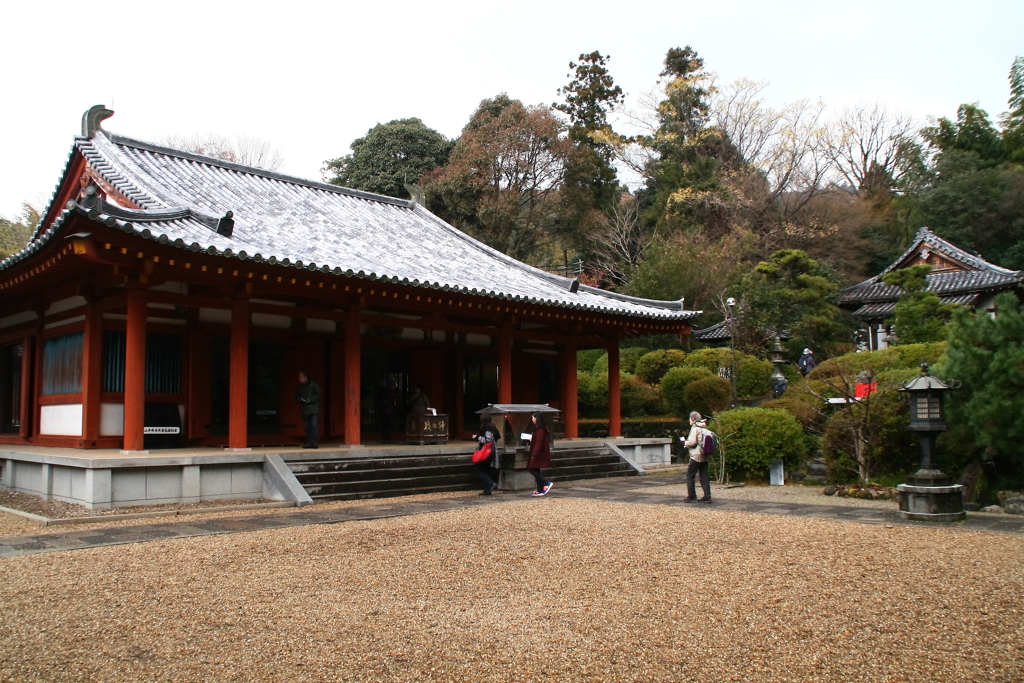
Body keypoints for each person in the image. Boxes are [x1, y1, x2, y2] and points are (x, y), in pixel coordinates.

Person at [682, 411, 711, 503]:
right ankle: (707, 496)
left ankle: (692, 495)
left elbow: (691, 442)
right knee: (704, 476)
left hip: (696, 455)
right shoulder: (704, 428)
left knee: (690, 475)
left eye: (690, 418)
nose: (689, 420)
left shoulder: (695, 429)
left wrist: (684, 442)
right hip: (704, 455)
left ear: (693, 419)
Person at [527, 412, 554, 497]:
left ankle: (546, 482)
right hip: (538, 453)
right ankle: (540, 489)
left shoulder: (540, 430)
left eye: (533, 418)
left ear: (537, 418)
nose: (532, 419)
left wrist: (534, 454)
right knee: (536, 469)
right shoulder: (540, 429)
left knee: (531, 469)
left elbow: (539, 442)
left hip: (538, 453)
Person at [474, 417, 502, 495]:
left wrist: (477, 437)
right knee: (487, 470)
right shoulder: (493, 427)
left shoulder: (487, 427)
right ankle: (487, 490)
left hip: (487, 452)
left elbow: (488, 439)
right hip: (492, 451)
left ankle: (491, 483)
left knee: (479, 469)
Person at [295, 371, 321, 449]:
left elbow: (318, 395)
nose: (300, 379)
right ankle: (309, 442)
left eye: (301, 377)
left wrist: (310, 400)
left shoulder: (313, 385)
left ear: (305, 377)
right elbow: (297, 397)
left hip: (314, 409)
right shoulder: (299, 387)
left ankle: (315, 441)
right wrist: (301, 400)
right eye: (299, 377)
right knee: (307, 426)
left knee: (314, 425)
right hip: (304, 409)